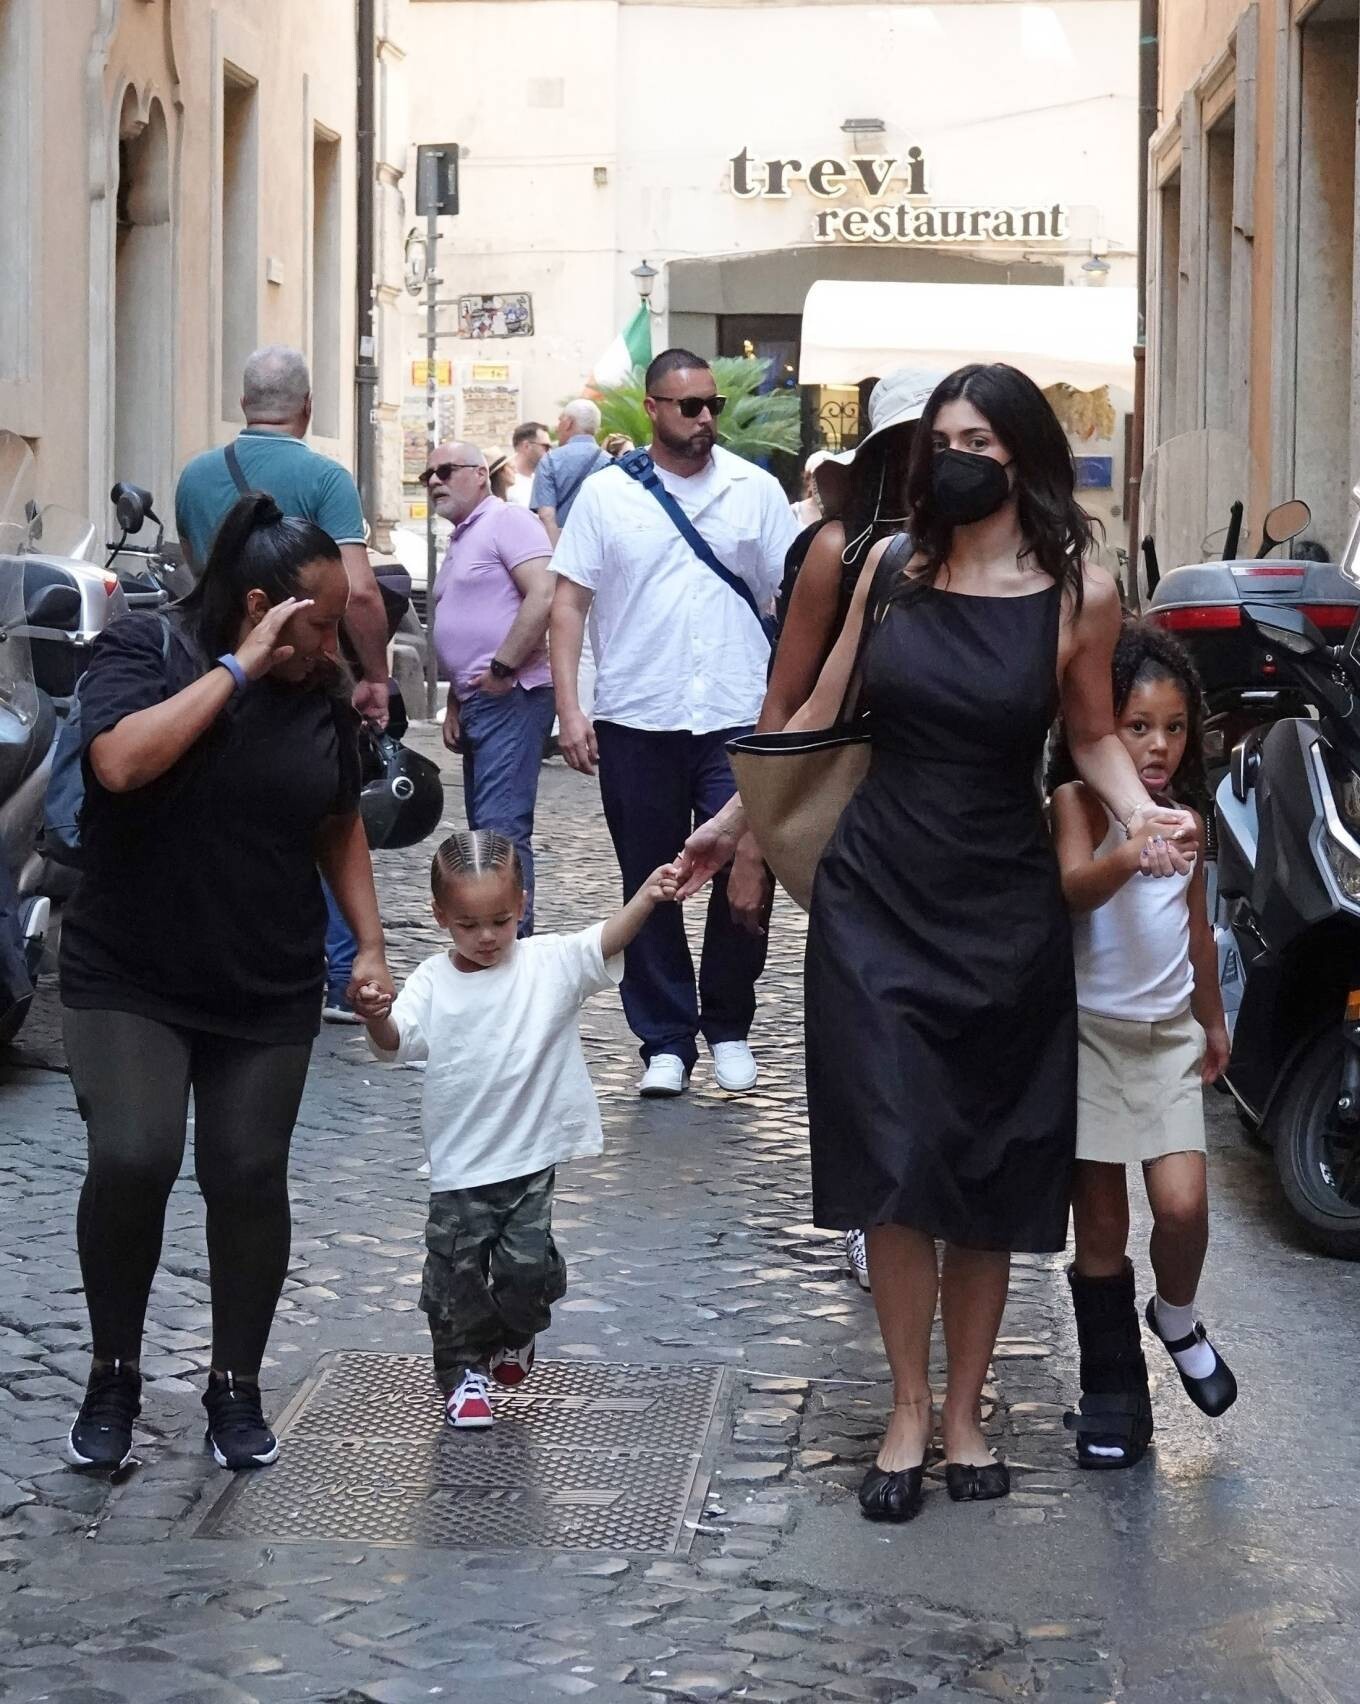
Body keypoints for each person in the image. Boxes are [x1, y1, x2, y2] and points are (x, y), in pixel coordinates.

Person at [679, 363, 1196, 1522]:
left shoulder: (1078, 592)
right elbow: (817, 718)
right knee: (895, 1158)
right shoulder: (886, 568)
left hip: (1002, 906)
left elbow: (1091, 734)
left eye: (977, 443)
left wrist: (1137, 814)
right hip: (877, 896)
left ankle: (966, 1410)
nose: (953, 461)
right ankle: (907, 1408)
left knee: (982, 1161)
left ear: (1021, 458)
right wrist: (732, 826)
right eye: (942, 442)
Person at [60, 492, 393, 1475]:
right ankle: (113, 1375)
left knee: (247, 1174)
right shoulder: (144, 651)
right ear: (260, 607)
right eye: (317, 624)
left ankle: (235, 1386)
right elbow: (120, 764)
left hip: (265, 975)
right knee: (134, 1154)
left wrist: (369, 945)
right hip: (132, 970)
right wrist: (239, 671)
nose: (332, 645)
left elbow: (338, 821)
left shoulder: (320, 689)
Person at [354, 830, 679, 1428]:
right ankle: (463, 1376)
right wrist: (376, 1017)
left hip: (529, 1162)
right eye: (468, 924)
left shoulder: (547, 964)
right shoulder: (432, 980)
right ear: (440, 916)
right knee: (455, 1276)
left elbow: (603, 940)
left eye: (501, 921)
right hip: (459, 1167)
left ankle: (518, 1331)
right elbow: (397, 1043)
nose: (486, 937)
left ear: (522, 906)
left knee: (525, 1271)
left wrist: (647, 897)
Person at [732, 367, 938, 1292]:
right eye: (918, 445)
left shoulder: (1007, 557)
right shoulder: (841, 552)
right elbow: (789, 704)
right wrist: (751, 838)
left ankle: (925, 1200)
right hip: (859, 826)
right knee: (865, 1035)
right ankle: (873, 1210)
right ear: (887, 456)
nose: (934, 464)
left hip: (967, 833)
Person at [550, 348, 797, 1098]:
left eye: (713, 405)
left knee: (745, 868)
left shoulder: (756, 491)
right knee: (649, 876)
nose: (705, 418)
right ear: (654, 409)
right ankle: (663, 1039)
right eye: (689, 406)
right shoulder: (604, 496)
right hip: (638, 713)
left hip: (737, 711)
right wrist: (569, 706)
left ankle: (728, 1025)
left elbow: (791, 603)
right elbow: (569, 602)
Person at [1049, 621, 1237, 1470]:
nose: (1158, 746)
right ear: (1101, 728)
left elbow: (1196, 931)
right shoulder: (1078, 804)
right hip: (1090, 1037)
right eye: (1137, 726)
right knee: (1100, 1223)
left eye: (1173, 727)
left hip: (1166, 1041)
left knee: (1183, 1205)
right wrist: (1130, 851)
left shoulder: (1190, 823)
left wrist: (1213, 1019)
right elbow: (1072, 889)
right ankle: (1112, 1394)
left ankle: (1177, 1316)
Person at [174, 346, 390, 1025]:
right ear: (308, 407)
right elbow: (358, 590)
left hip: (213, 672)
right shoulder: (326, 477)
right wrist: (374, 675)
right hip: (304, 672)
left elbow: (198, 580)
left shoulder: (194, 476)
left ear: (243, 404)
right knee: (326, 804)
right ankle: (337, 969)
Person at [424, 443, 556, 933]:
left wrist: (502, 667)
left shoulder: (508, 520)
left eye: (445, 471)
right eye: (427, 475)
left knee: (501, 831)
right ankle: (498, 945)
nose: (434, 481)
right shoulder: (464, 536)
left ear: (481, 474)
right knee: (487, 830)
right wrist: (456, 699)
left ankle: (513, 949)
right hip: (481, 699)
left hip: (514, 695)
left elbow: (544, 592)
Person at [532, 399, 610, 545]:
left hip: (564, 545)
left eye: (560, 420)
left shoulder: (550, 460)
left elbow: (546, 515)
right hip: (600, 546)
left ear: (568, 423)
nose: (557, 428)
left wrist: (557, 553)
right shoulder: (611, 462)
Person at [507, 421, 552, 506]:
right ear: (526, 446)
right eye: (546, 447)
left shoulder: (542, 480)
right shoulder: (505, 482)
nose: (549, 453)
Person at [790, 449, 830, 526]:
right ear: (808, 480)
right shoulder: (793, 512)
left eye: (830, 475)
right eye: (820, 475)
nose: (826, 480)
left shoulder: (842, 513)